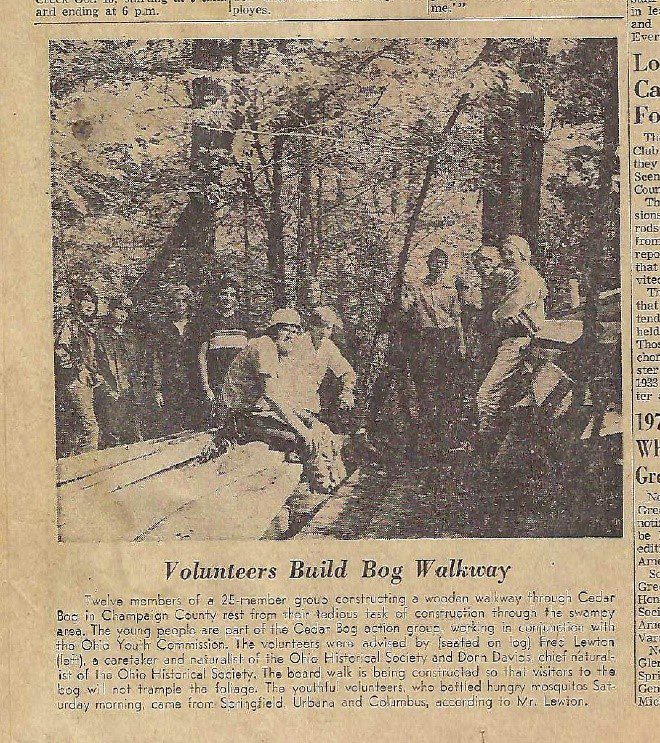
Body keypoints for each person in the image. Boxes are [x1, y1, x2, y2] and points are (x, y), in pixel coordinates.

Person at [215, 308, 346, 496]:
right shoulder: (264, 347)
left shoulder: (275, 352)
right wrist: (302, 429)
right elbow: (272, 395)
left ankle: (333, 482)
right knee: (303, 438)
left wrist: (307, 419)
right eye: (285, 330)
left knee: (321, 430)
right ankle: (323, 488)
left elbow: (283, 396)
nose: (290, 336)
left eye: (295, 332)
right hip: (238, 418)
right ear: (274, 330)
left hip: (256, 414)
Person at [476, 235, 549, 439]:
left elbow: (509, 309)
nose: (507, 257)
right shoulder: (519, 276)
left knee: (487, 393)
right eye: (504, 253)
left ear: (522, 254)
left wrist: (495, 315)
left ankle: (486, 439)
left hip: (520, 342)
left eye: (511, 253)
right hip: (517, 340)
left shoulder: (525, 278)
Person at [401, 247, 466, 454]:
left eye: (442, 263)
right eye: (435, 262)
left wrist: (461, 344)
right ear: (428, 263)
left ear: (446, 267)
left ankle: (444, 438)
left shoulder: (450, 291)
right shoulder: (417, 288)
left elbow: (457, 320)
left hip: (446, 339)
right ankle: (424, 438)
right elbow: (404, 308)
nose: (438, 266)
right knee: (424, 388)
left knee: (445, 388)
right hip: (425, 340)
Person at [54, 284, 103, 454]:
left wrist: (97, 373)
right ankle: (86, 468)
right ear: (77, 303)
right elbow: (61, 350)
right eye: (85, 301)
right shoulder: (70, 324)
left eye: (92, 302)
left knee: (82, 428)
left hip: (90, 382)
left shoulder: (91, 328)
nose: (89, 305)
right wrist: (78, 370)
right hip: (75, 381)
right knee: (90, 428)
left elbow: (94, 356)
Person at [193, 279, 249, 422]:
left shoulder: (244, 321)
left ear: (236, 299)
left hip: (240, 385)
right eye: (224, 294)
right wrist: (206, 386)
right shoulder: (209, 321)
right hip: (217, 385)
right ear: (218, 297)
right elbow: (202, 356)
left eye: (232, 295)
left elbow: (252, 355)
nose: (227, 298)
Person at [95, 295, 145, 447]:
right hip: (112, 390)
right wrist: (107, 386)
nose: (123, 314)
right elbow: (97, 363)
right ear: (111, 310)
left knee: (134, 432)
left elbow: (139, 363)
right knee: (112, 432)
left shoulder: (131, 336)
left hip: (131, 390)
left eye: (126, 311)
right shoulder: (100, 334)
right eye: (120, 309)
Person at [151, 284, 200, 434]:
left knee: (192, 424)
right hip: (170, 382)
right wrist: (157, 389)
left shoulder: (195, 327)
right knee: (171, 424)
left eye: (183, 301)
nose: (180, 305)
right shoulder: (163, 327)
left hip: (193, 381)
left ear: (188, 303)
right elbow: (157, 358)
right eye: (176, 301)